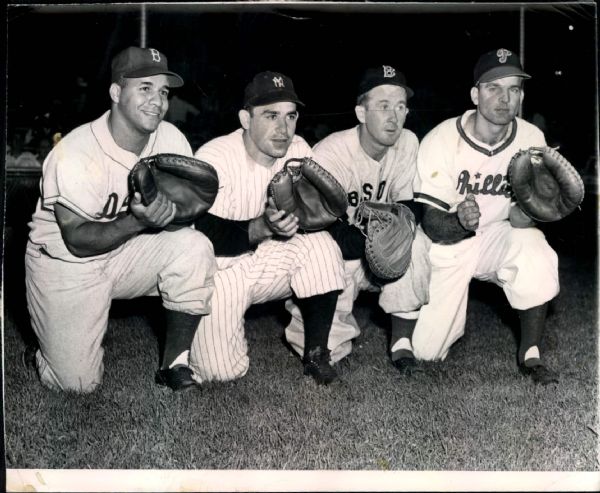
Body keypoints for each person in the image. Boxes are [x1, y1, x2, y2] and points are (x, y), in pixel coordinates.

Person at [24, 46, 217, 393]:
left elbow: (176, 226)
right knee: (76, 384)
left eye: (163, 92)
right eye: (144, 88)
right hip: (66, 261)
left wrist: (172, 216)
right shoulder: (75, 151)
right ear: (116, 92)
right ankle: (46, 351)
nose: (157, 101)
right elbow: (78, 240)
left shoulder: (171, 139)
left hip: (127, 251)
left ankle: (174, 364)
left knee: (194, 246)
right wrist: (139, 221)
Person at [412, 48, 559, 384]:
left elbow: (528, 216)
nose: (504, 98)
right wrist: (460, 222)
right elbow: (432, 224)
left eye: (514, 89)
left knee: (532, 244)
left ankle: (531, 354)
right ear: (475, 94)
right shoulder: (441, 139)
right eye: (493, 88)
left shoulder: (531, 138)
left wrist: (533, 212)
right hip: (449, 241)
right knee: (426, 352)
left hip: (498, 235)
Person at [190, 71, 346, 384]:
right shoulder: (214, 156)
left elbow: (315, 216)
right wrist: (261, 227)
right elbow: (200, 236)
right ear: (245, 119)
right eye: (271, 115)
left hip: (271, 258)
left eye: (290, 116)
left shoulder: (299, 150)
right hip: (220, 271)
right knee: (218, 373)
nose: (283, 129)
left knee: (323, 246)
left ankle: (317, 354)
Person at [284, 65, 431, 372]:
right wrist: (375, 240)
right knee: (327, 352)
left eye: (401, 106)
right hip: (335, 253)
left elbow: (408, 205)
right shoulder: (331, 152)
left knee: (414, 242)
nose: (394, 116)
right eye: (383, 106)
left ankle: (401, 344)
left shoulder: (408, 142)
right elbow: (320, 228)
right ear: (361, 113)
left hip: (374, 247)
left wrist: (395, 234)